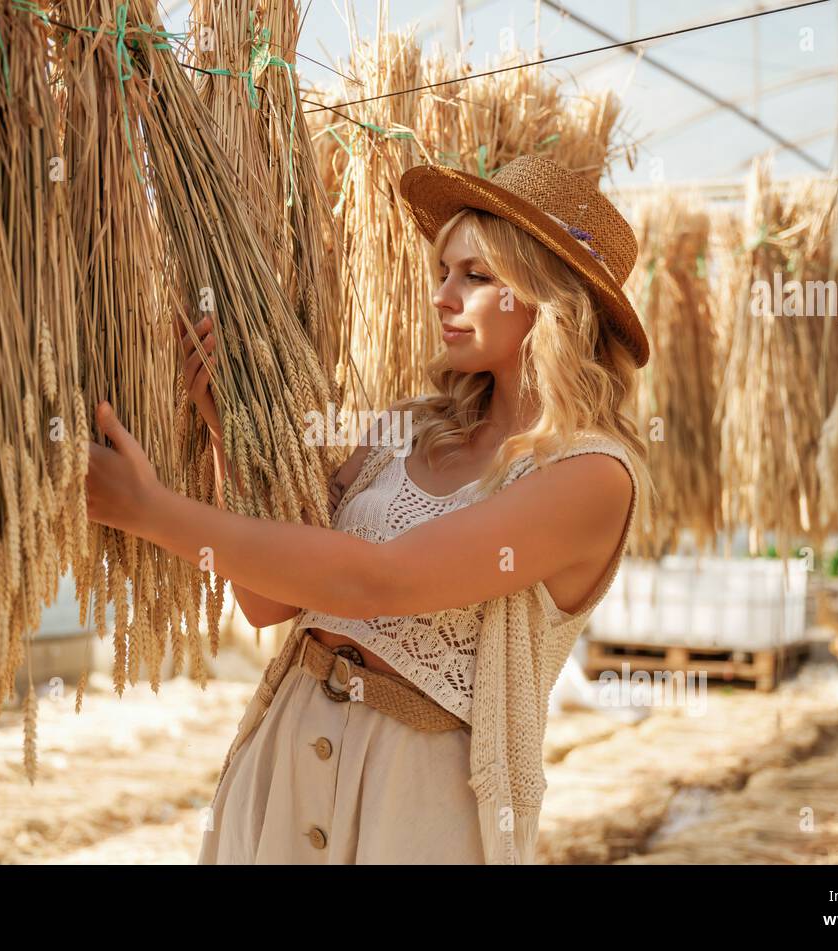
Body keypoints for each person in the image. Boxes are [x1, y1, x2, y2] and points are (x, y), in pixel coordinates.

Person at [85, 154, 655, 864]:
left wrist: (152, 512)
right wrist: (226, 432)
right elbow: (268, 601)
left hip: (414, 805)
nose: (443, 296)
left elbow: (376, 580)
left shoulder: (591, 475)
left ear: (550, 298)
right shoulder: (410, 429)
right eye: (442, 272)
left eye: (475, 276)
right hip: (283, 758)